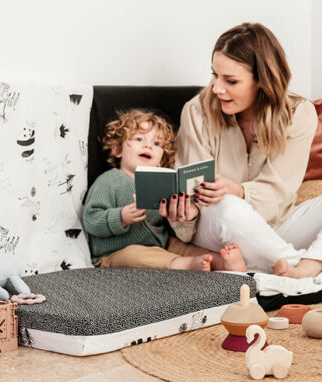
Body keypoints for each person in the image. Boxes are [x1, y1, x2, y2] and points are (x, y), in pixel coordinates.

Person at [173, 22, 322, 278]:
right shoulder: (196, 111)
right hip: (219, 225)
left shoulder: (298, 114)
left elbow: (279, 193)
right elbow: (194, 192)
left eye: (230, 80)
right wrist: (186, 210)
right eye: (214, 75)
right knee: (230, 207)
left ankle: (304, 264)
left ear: (262, 81)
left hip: (278, 223)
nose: (217, 88)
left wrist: (240, 190)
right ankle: (316, 264)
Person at [82, 109, 247, 272]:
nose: (148, 145)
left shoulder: (160, 183)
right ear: (117, 149)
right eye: (139, 139)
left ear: (161, 161)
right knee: (135, 255)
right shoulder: (109, 181)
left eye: (156, 143)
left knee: (182, 247)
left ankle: (222, 262)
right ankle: (187, 265)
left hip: (161, 243)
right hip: (116, 253)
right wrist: (121, 217)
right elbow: (90, 219)